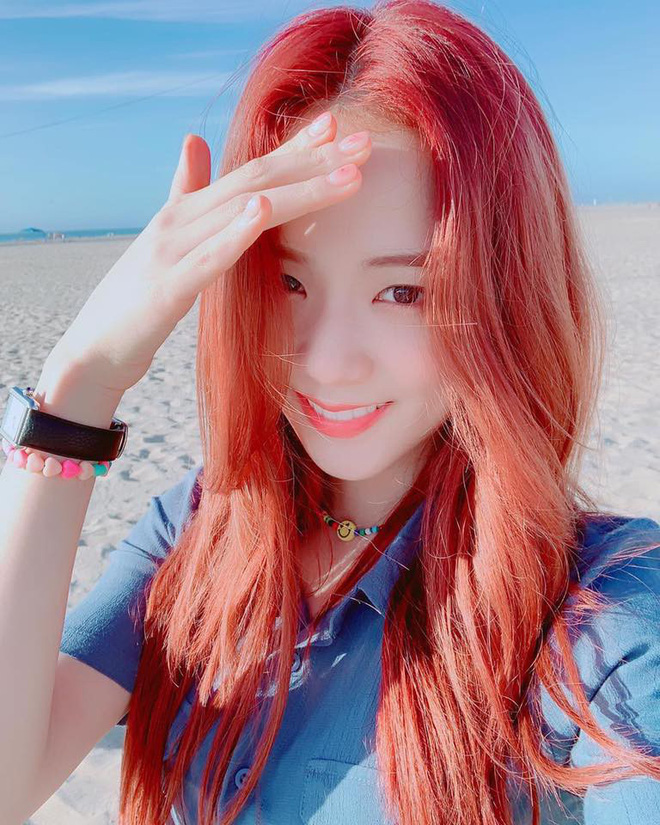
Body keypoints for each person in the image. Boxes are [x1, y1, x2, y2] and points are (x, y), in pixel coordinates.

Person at [1, 1, 659, 824]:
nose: (325, 360)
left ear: (506, 297)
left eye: (404, 291)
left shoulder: (603, 618)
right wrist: (81, 385)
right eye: (288, 281)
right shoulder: (197, 532)